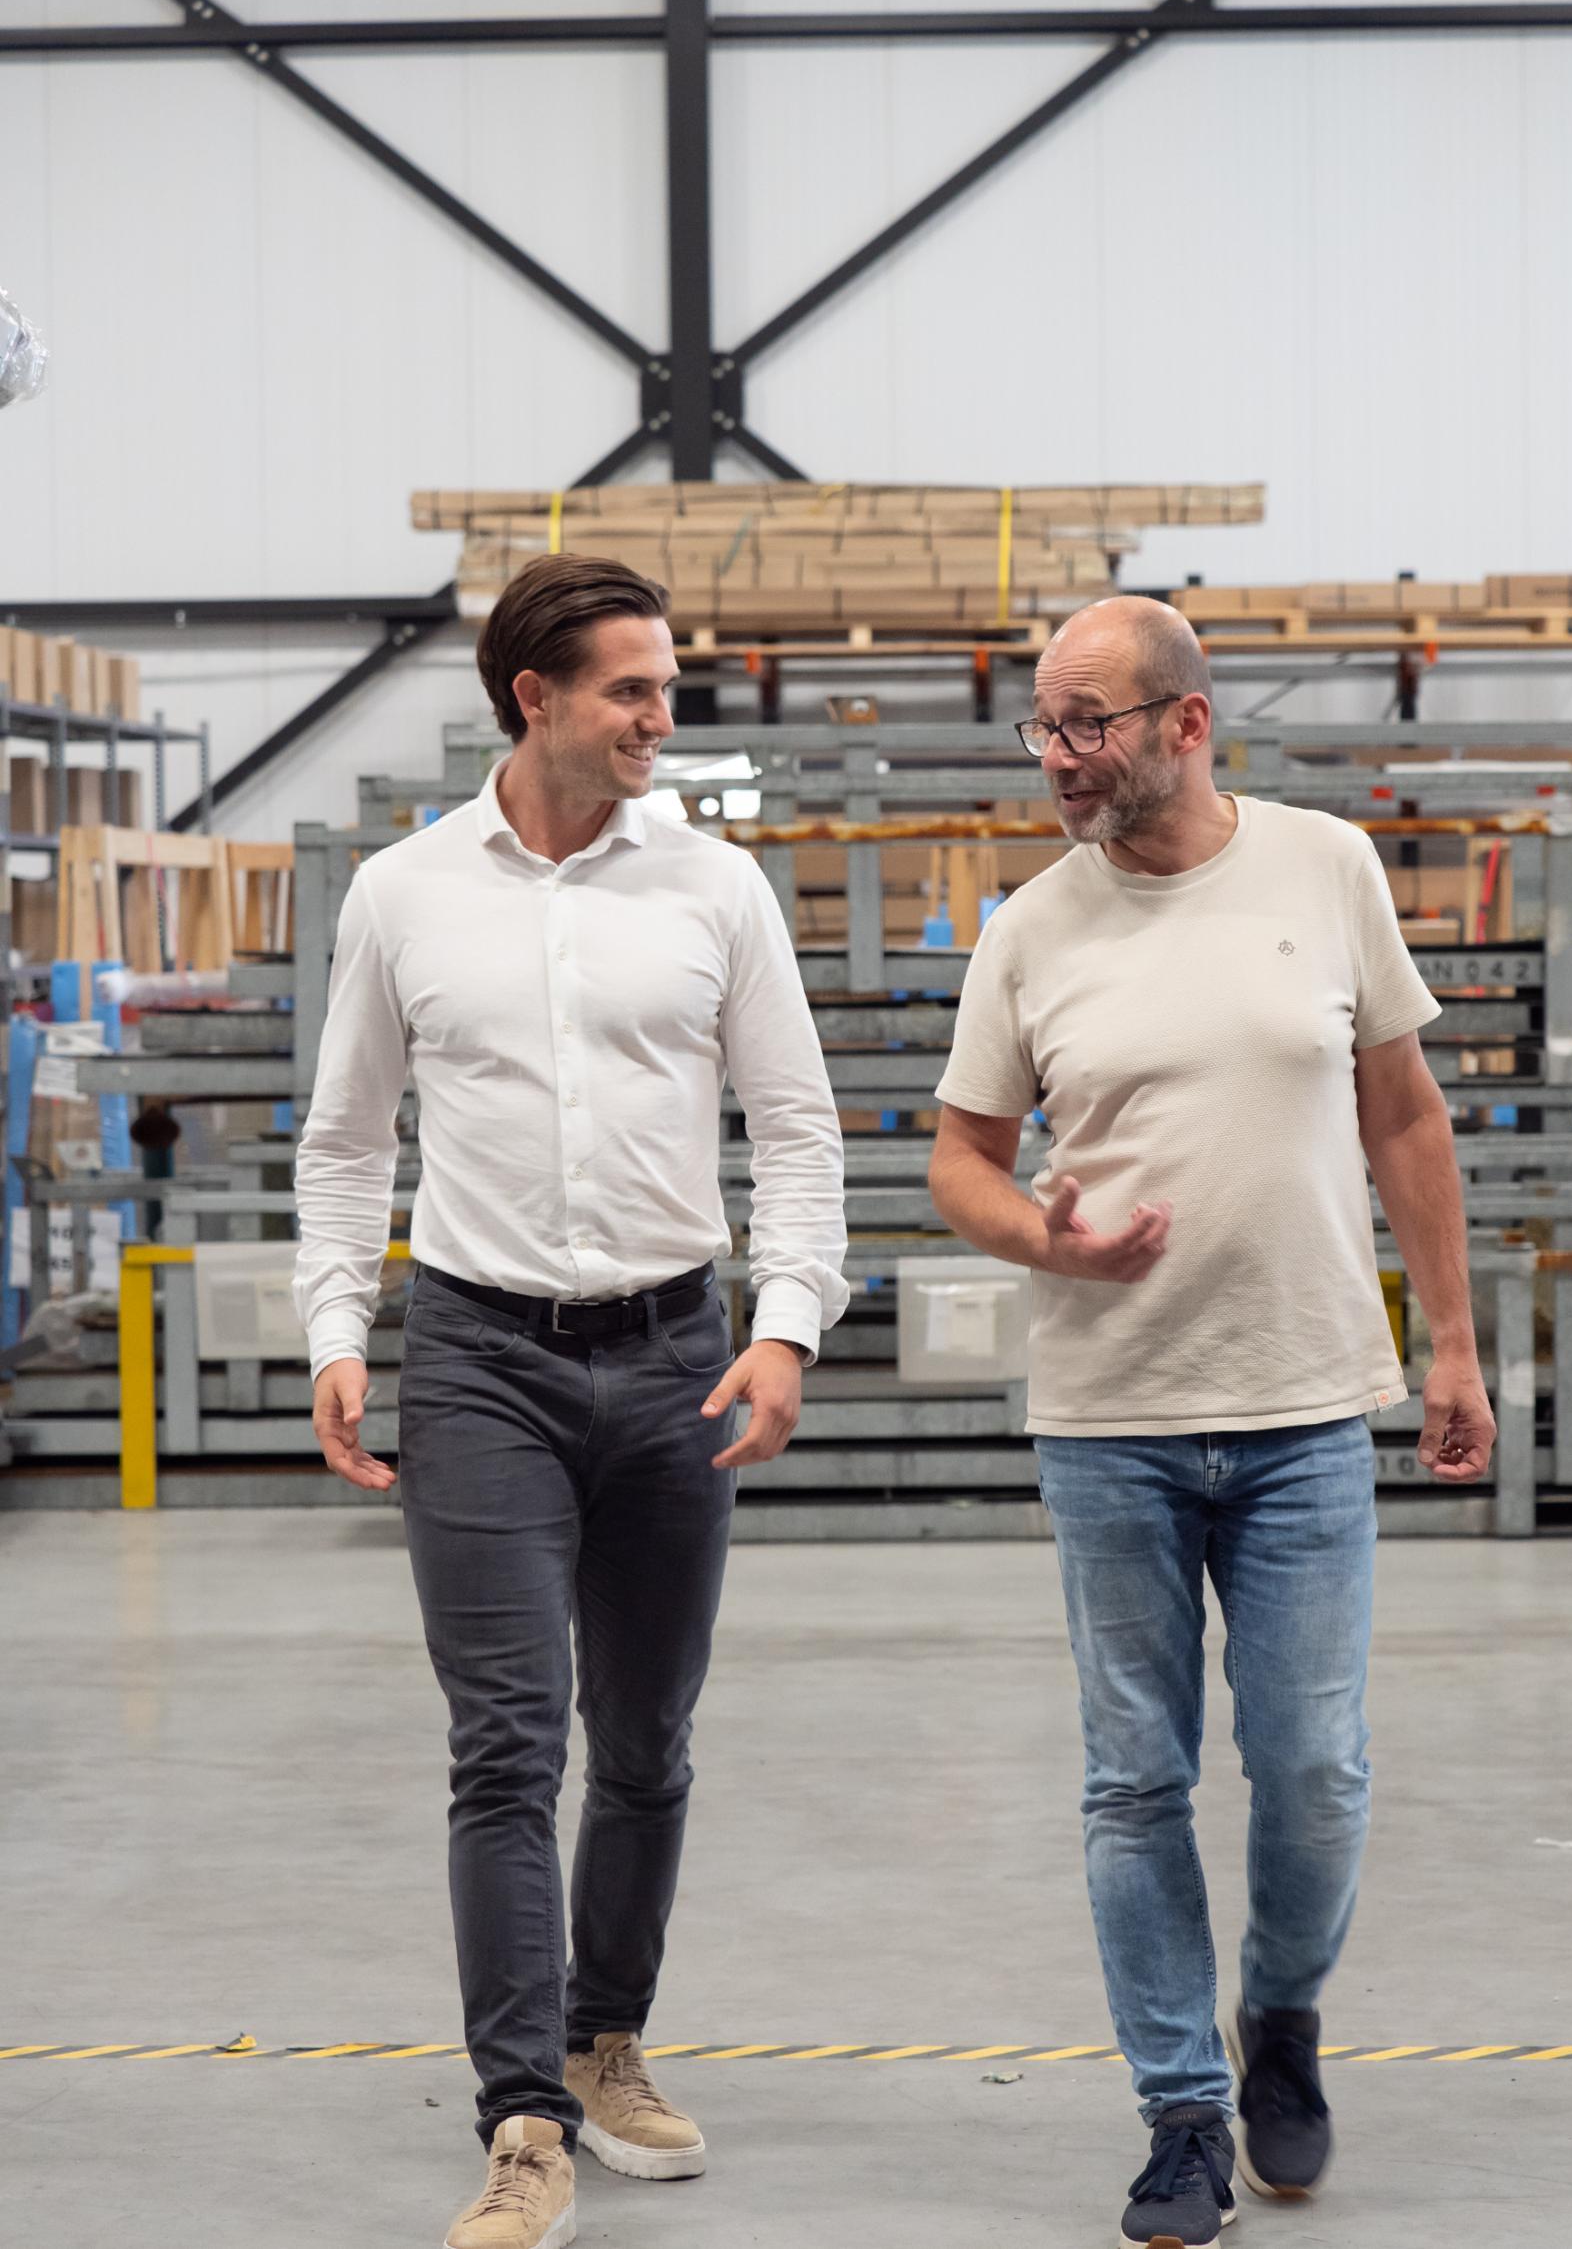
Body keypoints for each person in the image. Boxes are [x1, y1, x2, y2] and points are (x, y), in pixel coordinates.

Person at [294, 556, 847, 2249]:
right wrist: (336, 1324)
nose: (659, 718)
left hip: (679, 1358)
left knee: (650, 1742)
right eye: (632, 689)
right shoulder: (400, 894)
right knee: (506, 1742)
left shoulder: (714, 888)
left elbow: (798, 1126)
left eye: (665, 688)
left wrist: (788, 1329)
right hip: (479, 1361)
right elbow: (345, 1140)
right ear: (531, 696)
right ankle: (521, 2113)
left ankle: (608, 2038)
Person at [928, 596, 1494, 2249]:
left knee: (1312, 1768)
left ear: (1185, 723)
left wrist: (1449, 1343)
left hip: (1306, 1401)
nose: (1056, 755)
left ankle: (1285, 2015)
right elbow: (958, 1158)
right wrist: (1045, 1237)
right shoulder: (1029, 927)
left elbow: (1403, 1113)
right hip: (1108, 1419)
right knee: (1133, 1781)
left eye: (1086, 721)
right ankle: (1179, 2111)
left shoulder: (1322, 870)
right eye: (1041, 724)